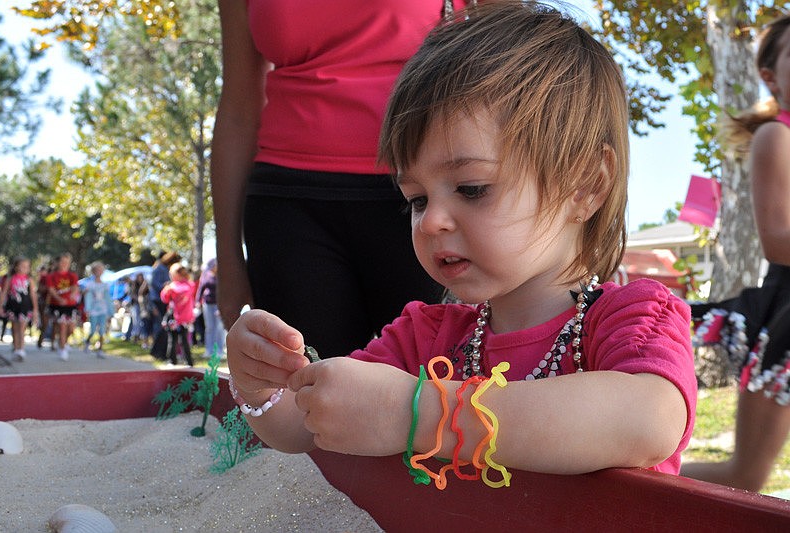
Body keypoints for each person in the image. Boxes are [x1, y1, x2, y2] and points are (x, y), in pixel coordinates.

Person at [226, 1, 697, 478]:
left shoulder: (629, 319)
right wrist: (262, 389)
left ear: (586, 185)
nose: (431, 223)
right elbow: (313, 424)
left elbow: (648, 421)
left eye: (472, 189)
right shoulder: (426, 338)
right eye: (416, 199)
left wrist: (418, 415)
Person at [210, 0, 461, 359]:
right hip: (288, 207)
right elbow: (237, 109)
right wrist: (229, 262)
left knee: (441, 387)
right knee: (308, 394)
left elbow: (505, 59)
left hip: (422, 193)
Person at [681, 15, 790, 492]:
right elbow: (777, 239)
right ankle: (622, 488)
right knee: (745, 475)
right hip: (785, 321)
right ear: (770, 76)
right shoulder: (777, 136)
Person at [0, 257, 38, 361]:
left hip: (25, 307)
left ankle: (21, 349)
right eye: (23, 266)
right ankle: (15, 347)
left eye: (27, 266)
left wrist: (35, 309)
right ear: (16, 267)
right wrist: (0, 306)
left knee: (22, 328)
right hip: (13, 307)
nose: (25, 268)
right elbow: (4, 293)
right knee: (15, 328)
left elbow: (33, 295)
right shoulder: (11, 279)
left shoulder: (29, 280)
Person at [160, 263, 195, 367]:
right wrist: (166, 291)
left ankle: (189, 362)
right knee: (172, 339)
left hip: (184, 318)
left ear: (178, 274)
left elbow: (185, 291)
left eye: (172, 273)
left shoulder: (188, 285)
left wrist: (171, 289)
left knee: (184, 340)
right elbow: (164, 299)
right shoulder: (172, 285)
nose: (170, 275)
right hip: (173, 318)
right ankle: (172, 360)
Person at [47, 252, 80, 361]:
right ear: (57, 263)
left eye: (67, 262)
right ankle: (62, 349)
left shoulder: (72, 276)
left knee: (70, 328)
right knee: (62, 326)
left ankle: (63, 342)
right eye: (62, 262)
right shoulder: (51, 276)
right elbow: (51, 290)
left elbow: (75, 287)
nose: (64, 264)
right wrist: (59, 299)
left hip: (70, 305)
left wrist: (70, 296)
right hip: (57, 305)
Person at [149, 251, 181, 360]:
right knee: (163, 326)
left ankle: (162, 352)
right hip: (159, 300)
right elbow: (154, 283)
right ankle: (157, 351)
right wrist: (165, 287)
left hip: (165, 300)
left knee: (165, 326)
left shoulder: (164, 269)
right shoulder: (159, 268)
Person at [82, 261, 115, 357]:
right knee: (92, 330)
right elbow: (86, 297)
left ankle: (100, 349)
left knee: (102, 330)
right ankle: (87, 342)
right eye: (97, 270)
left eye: (101, 270)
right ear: (93, 271)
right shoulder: (90, 284)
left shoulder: (105, 285)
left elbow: (108, 299)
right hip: (93, 310)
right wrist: (87, 308)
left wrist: (111, 311)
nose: (99, 272)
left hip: (103, 310)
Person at [196, 258, 226, 359]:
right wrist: (197, 301)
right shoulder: (206, 274)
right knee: (209, 327)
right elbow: (201, 288)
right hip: (207, 304)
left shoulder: (222, 275)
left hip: (219, 304)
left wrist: (223, 305)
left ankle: (219, 351)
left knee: (219, 328)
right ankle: (209, 350)